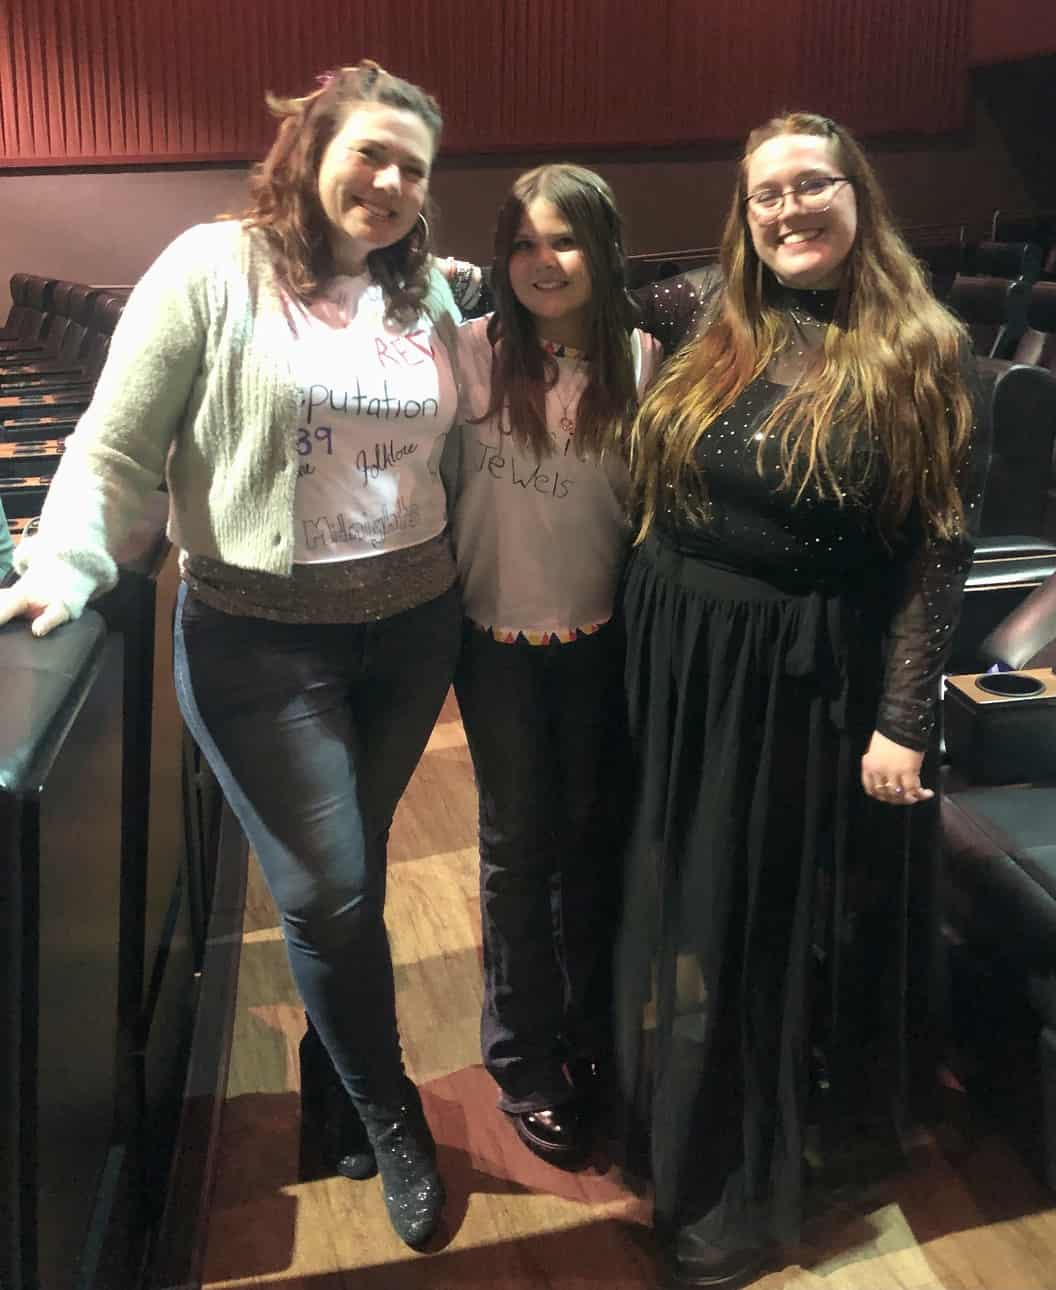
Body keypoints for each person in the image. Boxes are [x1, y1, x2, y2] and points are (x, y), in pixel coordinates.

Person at [0, 60, 463, 1250]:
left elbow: (475, 429)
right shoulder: (211, 269)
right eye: (371, 151)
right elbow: (114, 447)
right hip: (258, 639)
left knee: (341, 894)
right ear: (311, 148)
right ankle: (391, 1105)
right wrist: (68, 563)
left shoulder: (424, 295)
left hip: (413, 631)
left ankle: (332, 1078)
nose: (391, 181)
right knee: (327, 888)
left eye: (413, 166)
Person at [616, 112, 990, 1288]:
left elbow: (938, 548)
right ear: (744, 214)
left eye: (809, 183)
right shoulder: (697, 312)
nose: (787, 210)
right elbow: (546, 292)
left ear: (856, 194)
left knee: (750, 919)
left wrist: (905, 716)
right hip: (670, 644)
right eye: (765, 194)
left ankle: (733, 1168)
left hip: (792, 673)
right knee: (676, 894)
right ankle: (670, 1115)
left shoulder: (923, 347)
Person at [447, 164, 660, 1166]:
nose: (542, 261)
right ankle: (523, 1056)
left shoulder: (645, 361)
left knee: (593, 844)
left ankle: (592, 1037)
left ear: (603, 251)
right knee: (516, 853)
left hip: (604, 643)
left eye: (563, 241)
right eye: (524, 243)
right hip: (493, 649)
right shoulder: (463, 356)